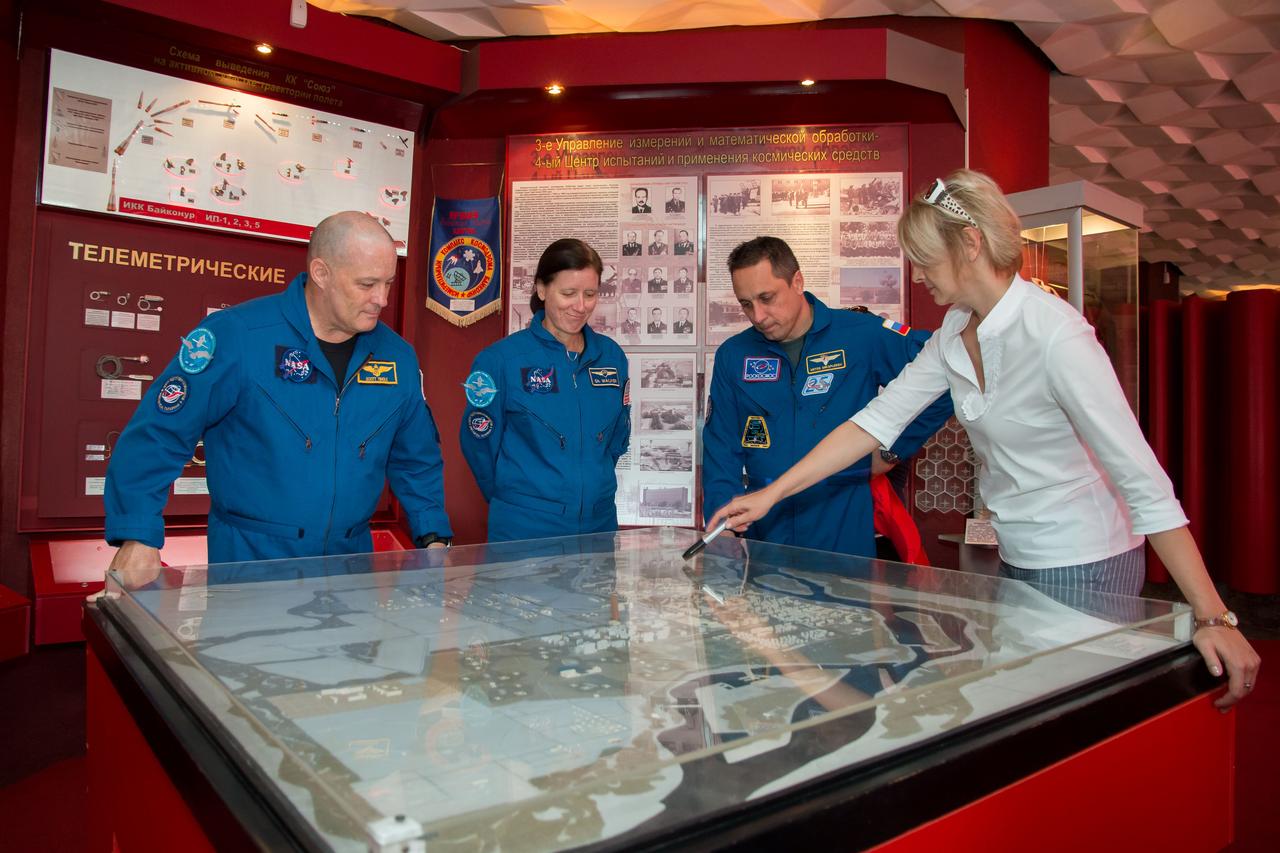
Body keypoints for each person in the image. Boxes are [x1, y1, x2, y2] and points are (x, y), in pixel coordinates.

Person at [709, 171, 1260, 707]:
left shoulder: (1056, 335)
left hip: (1085, 558)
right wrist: (771, 494)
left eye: (925, 259)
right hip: (1016, 555)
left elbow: (1143, 482)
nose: (918, 274)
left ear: (970, 243)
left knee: (1064, 724)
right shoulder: (953, 331)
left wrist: (1212, 616)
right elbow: (872, 423)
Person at [105, 212, 452, 569]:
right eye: (366, 284)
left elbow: (416, 458)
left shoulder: (397, 359)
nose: (381, 298)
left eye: (388, 283)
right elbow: (158, 435)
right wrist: (137, 534)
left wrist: (433, 537)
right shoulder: (237, 337)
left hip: (350, 568)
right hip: (252, 564)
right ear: (321, 273)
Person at [702, 236, 952, 559]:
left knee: (845, 606)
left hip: (841, 517)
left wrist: (893, 451)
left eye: (767, 298)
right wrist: (725, 525)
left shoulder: (860, 334)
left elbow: (946, 375)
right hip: (765, 526)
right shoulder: (734, 356)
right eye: (746, 304)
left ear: (797, 282)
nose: (758, 316)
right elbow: (721, 451)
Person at [459, 238, 630, 542]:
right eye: (568, 293)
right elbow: (479, 445)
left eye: (590, 294)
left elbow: (616, 439)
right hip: (525, 527)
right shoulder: (499, 361)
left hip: (598, 524)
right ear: (541, 289)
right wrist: (516, 500)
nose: (581, 306)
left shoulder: (612, 358)